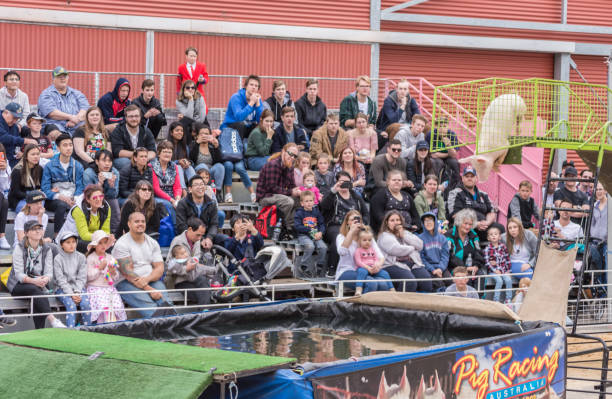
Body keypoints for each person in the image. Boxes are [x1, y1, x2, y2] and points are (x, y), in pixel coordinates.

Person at [7, 220, 66, 328]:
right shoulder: (19, 248)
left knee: (37, 292)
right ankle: (52, 320)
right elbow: (19, 275)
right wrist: (34, 281)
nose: (38, 231)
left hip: (39, 284)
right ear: (26, 233)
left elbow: (49, 272)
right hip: (18, 285)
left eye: (39, 228)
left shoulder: (47, 248)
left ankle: (39, 331)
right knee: (35, 290)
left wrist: (46, 279)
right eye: (34, 229)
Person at [113, 212, 173, 318]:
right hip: (126, 282)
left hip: (150, 279)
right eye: (137, 221)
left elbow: (160, 268)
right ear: (129, 224)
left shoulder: (152, 242)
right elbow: (128, 273)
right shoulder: (122, 244)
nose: (140, 224)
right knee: (150, 307)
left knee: (166, 303)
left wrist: (147, 280)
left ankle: (173, 325)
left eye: (143, 221)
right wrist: (149, 289)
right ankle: (160, 328)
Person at [320, 171, 369, 272]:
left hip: (354, 225)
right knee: (338, 237)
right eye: (342, 181)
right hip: (335, 225)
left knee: (367, 236)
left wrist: (362, 223)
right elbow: (323, 207)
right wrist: (333, 191)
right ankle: (332, 268)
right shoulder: (333, 194)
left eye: (347, 182)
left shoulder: (355, 196)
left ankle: (366, 264)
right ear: (337, 182)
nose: (344, 184)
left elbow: (365, 213)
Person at [334, 210, 390, 293]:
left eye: (358, 219)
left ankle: (373, 305)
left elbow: (381, 256)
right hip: (347, 270)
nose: (355, 221)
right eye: (352, 220)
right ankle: (361, 305)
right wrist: (351, 231)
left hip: (367, 270)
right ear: (347, 223)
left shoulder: (366, 236)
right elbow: (342, 252)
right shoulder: (341, 236)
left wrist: (377, 265)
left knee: (383, 285)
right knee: (371, 284)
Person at [377, 210, 431, 292]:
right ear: (387, 223)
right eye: (392, 220)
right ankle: (401, 303)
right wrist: (412, 248)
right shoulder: (384, 236)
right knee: (409, 281)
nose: (396, 223)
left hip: (412, 263)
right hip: (391, 265)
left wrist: (404, 236)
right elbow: (397, 250)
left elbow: (420, 245)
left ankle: (420, 302)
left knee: (426, 281)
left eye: (398, 220)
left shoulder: (405, 233)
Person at [41, 133, 85, 235]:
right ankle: (58, 235)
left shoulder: (77, 166)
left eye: (70, 145)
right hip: (54, 200)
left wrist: (75, 198)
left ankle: (79, 235)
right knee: (62, 204)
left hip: (72, 199)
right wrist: (59, 196)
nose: (69, 148)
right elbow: (45, 189)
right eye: (65, 145)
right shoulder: (49, 166)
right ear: (58, 148)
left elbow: (80, 187)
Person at [167, 217, 214, 305]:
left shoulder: (196, 240)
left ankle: (204, 312)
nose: (200, 238)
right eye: (198, 235)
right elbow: (170, 265)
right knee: (205, 292)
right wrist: (186, 269)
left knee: (204, 286)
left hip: (194, 277)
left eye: (201, 235)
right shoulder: (177, 241)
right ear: (189, 229)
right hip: (180, 280)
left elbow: (196, 257)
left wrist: (194, 263)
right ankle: (205, 312)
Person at [57, 183, 113, 252]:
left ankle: (105, 262)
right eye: (95, 197)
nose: (99, 199)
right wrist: (100, 238)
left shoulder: (106, 208)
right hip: (70, 240)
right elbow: (84, 235)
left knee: (109, 245)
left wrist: (106, 238)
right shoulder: (78, 210)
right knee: (96, 246)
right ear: (88, 199)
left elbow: (106, 230)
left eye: (101, 196)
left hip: (94, 238)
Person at [85, 230, 127, 323]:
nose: (103, 245)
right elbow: (88, 277)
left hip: (109, 289)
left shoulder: (110, 257)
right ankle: (103, 327)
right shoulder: (91, 258)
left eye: (105, 242)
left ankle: (116, 326)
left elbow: (115, 278)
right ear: (95, 245)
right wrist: (100, 268)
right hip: (95, 288)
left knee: (117, 307)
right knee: (104, 308)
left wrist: (113, 272)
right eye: (100, 243)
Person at [256, 143, 300, 230]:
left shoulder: (290, 166)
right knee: (289, 201)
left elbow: (292, 185)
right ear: (283, 151)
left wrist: (299, 191)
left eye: (295, 156)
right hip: (265, 196)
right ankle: (284, 228)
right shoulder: (273, 164)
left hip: (279, 195)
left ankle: (293, 226)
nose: (292, 158)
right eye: (290, 154)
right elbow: (271, 188)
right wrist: (291, 192)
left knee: (300, 200)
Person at [447, 166, 495, 242]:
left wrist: (487, 222)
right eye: (467, 176)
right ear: (462, 178)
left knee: (499, 228)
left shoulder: (483, 194)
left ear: (476, 179)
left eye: (472, 176)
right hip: (466, 226)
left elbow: (491, 212)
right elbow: (454, 214)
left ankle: (495, 252)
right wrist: (475, 224)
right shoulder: (455, 193)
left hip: (484, 225)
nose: (469, 178)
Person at [54, 231, 91, 328]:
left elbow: (82, 277)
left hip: (78, 288)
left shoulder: (81, 257)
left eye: (73, 242)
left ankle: (87, 330)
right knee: (71, 305)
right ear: (61, 245)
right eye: (68, 242)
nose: (71, 245)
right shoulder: (58, 259)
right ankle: (71, 332)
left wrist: (77, 292)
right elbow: (60, 280)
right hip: (62, 289)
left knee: (86, 304)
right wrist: (71, 293)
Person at [38, 67, 89, 135]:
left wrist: (76, 120)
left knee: (91, 131)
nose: (63, 78)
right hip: (56, 125)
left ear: (68, 78)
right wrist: (71, 117)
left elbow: (85, 109)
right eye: (59, 76)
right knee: (54, 133)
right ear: (53, 79)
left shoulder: (77, 93)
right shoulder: (46, 94)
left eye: (65, 76)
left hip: (77, 124)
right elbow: (52, 113)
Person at [446, 208, 486, 292]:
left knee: (480, 275)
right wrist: (465, 268)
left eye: (470, 224)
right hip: (454, 268)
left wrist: (476, 266)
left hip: (471, 267)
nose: (468, 227)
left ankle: (479, 301)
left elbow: (478, 252)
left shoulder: (473, 235)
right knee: (464, 278)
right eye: (465, 223)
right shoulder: (450, 235)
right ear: (459, 222)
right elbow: (449, 256)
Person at [109, 104, 156, 173]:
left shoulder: (145, 131)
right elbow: (117, 152)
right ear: (126, 118)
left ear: (140, 117)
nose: (134, 119)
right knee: (126, 163)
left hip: (143, 158)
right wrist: (137, 156)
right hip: (124, 159)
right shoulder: (118, 130)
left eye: (136, 116)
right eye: (131, 116)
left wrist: (143, 158)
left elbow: (153, 151)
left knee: (154, 163)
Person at [176, 175, 220, 247]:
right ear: (190, 189)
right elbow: (181, 226)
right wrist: (200, 239)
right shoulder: (182, 204)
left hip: (207, 235)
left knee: (224, 239)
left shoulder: (212, 203)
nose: (200, 187)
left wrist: (209, 238)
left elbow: (214, 224)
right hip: (189, 236)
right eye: (196, 185)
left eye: (202, 184)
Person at [83, 150, 121, 233]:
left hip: (107, 198)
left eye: (109, 161)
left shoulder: (115, 172)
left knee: (114, 202)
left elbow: (114, 195)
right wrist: (99, 184)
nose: (107, 164)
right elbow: (87, 196)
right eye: (104, 160)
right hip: (91, 200)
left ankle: (115, 233)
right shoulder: (89, 173)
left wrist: (111, 186)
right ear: (97, 161)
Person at [294, 190, 327, 277]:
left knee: (323, 247)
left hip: (315, 234)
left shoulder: (316, 212)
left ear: (314, 201)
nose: (309, 203)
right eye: (306, 201)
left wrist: (321, 232)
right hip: (303, 235)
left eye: (311, 201)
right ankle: (303, 265)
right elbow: (297, 226)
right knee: (310, 246)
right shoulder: (299, 213)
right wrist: (309, 229)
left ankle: (319, 266)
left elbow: (321, 224)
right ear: (302, 203)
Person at [221, 74, 264, 138]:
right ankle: (239, 147)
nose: (254, 87)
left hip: (246, 127)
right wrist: (251, 103)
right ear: (246, 86)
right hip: (231, 127)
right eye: (251, 84)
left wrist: (258, 105)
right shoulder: (236, 97)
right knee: (241, 125)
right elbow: (239, 117)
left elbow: (260, 121)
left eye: (256, 86)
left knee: (261, 127)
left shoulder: (257, 99)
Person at [354, 227, 394, 295]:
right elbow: (358, 262)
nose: (367, 242)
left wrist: (376, 266)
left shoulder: (372, 249)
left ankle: (392, 289)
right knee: (361, 272)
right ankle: (358, 289)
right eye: (364, 240)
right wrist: (367, 267)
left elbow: (376, 259)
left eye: (369, 240)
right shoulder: (358, 250)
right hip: (364, 267)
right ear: (359, 241)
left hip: (373, 268)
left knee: (385, 273)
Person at [151, 141, 184, 223]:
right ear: (158, 153)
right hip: (157, 196)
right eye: (164, 151)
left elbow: (177, 186)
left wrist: (178, 198)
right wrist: (171, 200)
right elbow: (156, 189)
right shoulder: (152, 165)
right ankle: (175, 227)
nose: (167, 154)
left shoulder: (174, 166)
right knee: (168, 205)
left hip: (172, 196)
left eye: (169, 152)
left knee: (183, 203)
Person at [220, 128, 255, 203]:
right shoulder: (221, 131)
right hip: (227, 157)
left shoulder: (235, 131)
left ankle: (253, 193)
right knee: (228, 166)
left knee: (240, 168)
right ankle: (228, 194)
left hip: (237, 157)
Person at [188, 123, 224, 194]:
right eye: (202, 134)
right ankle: (204, 192)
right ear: (197, 136)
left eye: (206, 134)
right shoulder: (193, 145)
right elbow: (191, 159)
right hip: (198, 171)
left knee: (220, 166)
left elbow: (219, 161)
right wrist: (197, 143)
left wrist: (216, 147)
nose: (204, 135)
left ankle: (217, 192)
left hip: (210, 172)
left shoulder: (212, 146)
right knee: (203, 166)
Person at [418, 212, 451, 290]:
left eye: (430, 220)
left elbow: (445, 256)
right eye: (425, 221)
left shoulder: (442, 238)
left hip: (441, 267)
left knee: (450, 282)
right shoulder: (419, 238)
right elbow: (421, 258)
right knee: (439, 284)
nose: (428, 223)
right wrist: (433, 270)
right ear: (423, 223)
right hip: (428, 269)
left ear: (435, 222)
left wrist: (440, 268)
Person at [426, 117, 460, 190]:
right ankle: (435, 185)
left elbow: (454, 155)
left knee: (455, 162)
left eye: (444, 126)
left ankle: (455, 186)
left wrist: (448, 145)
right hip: (436, 158)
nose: (442, 128)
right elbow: (433, 154)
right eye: (439, 126)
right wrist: (448, 153)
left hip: (447, 157)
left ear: (448, 127)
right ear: (436, 127)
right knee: (436, 162)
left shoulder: (452, 135)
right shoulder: (431, 134)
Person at [1, 102, 37, 167]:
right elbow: (3, 138)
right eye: (14, 117)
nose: (15, 121)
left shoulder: (14, 127)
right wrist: (25, 141)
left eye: (17, 119)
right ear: (6, 113)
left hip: (10, 159)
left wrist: (22, 152)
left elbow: (16, 143)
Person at [9, 144, 43, 211]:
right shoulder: (18, 170)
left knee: (39, 207)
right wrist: (31, 195)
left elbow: (40, 188)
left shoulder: (40, 169)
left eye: (37, 154)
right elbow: (15, 192)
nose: (36, 156)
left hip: (35, 198)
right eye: (33, 154)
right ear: (26, 156)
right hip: (19, 200)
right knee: (33, 209)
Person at [484, 225, 512, 303]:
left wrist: (508, 270)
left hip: (503, 270)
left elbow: (507, 259)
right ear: (488, 238)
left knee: (508, 280)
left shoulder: (503, 247)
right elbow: (487, 263)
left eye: (495, 234)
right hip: (493, 272)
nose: (493, 236)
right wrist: (495, 270)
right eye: (491, 234)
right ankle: (496, 299)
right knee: (499, 281)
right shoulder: (487, 249)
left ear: (499, 237)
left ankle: (508, 299)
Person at [176, 46, 209, 111]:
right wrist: (179, 92)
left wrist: (203, 80)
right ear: (186, 56)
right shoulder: (181, 67)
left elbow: (206, 77)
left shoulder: (201, 66)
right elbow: (178, 81)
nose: (193, 58)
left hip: (198, 92)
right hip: (186, 93)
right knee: (187, 110)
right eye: (191, 56)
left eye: (194, 56)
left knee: (202, 110)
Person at [589, 183, 608, 288]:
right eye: (596, 190)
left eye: (601, 189)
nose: (598, 192)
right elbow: (592, 223)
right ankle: (600, 294)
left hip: (607, 242)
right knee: (597, 269)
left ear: (605, 191)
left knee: (607, 268)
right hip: (595, 242)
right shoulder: (594, 205)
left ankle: (607, 294)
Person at [0, 144, 10, 248]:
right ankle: (1, 236)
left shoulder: (6, 165)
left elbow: (5, 187)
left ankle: (2, 237)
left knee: (5, 201)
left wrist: (3, 172)